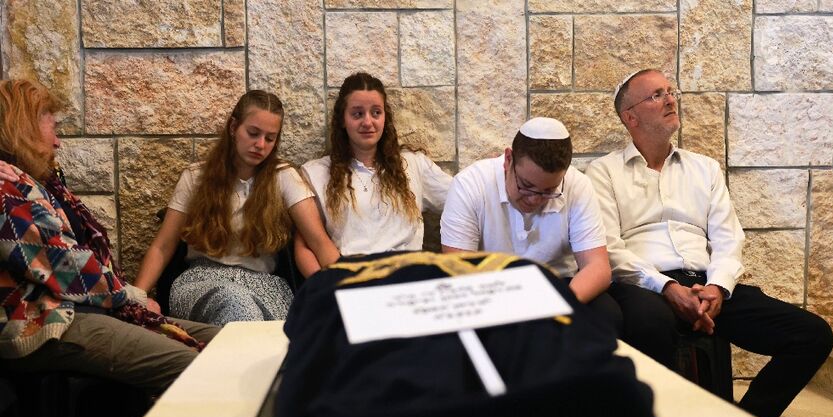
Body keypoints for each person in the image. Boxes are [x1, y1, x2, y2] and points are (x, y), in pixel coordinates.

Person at [585, 68, 833, 417]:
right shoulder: (603, 172)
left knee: (812, 335)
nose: (671, 99)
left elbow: (728, 237)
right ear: (631, 117)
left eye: (671, 91)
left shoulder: (705, 169)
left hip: (705, 284)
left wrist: (717, 288)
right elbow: (609, 249)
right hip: (647, 287)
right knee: (648, 323)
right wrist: (667, 287)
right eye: (656, 95)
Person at [0, 78, 218, 391]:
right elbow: (67, 270)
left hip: (77, 307)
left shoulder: (42, 183)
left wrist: (129, 298)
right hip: (42, 322)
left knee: (224, 342)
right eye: (53, 128)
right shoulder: (7, 191)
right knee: (198, 367)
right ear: (25, 128)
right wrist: (134, 297)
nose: (58, 142)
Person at [135, 90, 339, 325]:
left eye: (270, 138)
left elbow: (319, 242)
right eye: (253, 133)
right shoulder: (196, 177)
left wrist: (353, 289)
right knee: (235, 301)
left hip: (266, 285)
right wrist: (136, 299)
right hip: (201, 281)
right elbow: (162, 246)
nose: (260, 145)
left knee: (285, 331)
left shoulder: (283, 177)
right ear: (233, 127)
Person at [440, 117, 621, 333]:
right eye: (526, 186)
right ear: (508, 160)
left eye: (548, 191)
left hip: (559, 286)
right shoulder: (469, 185)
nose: (534, 200)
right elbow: (458, 270)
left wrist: (559, 306)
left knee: (607, 314)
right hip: (490, 291)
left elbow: (597, 267)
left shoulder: (577, 185)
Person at [294, 72, 452, 275]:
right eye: (357, 114)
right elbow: (305, 245)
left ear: (385, 116)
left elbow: (464, 200)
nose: (368, 122)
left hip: (407, 280)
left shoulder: (413, 165)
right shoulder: (316, 173)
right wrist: (325, 291)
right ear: (343, 119)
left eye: (376, 113)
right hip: (351, 281)